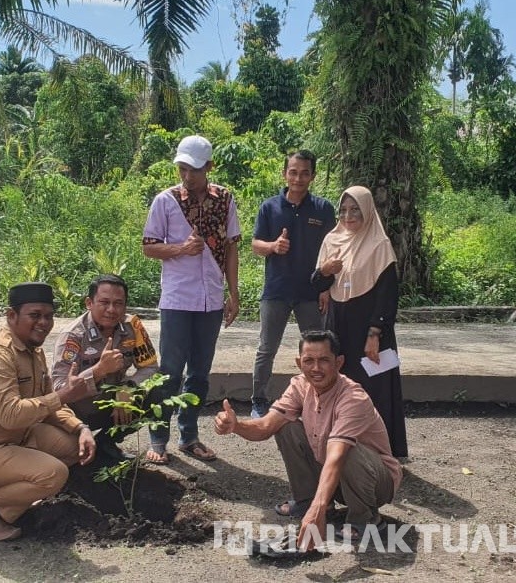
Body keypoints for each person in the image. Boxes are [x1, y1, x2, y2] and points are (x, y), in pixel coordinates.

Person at [214, 330, 402, 549]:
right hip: (336, 477)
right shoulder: (299, 385)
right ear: (298, 363)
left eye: (324, 360)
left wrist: (318, 510)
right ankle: (306, 500)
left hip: (374, 482)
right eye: (309, 361)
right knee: (287, 427)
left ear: (339, 362)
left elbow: (336, 456)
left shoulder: (353, 398)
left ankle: (365, 518)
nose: (316, 368)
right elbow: (265, 426)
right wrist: (236, 426)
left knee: (346, 449)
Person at [0, 283, 96, 541]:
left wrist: (81, 428)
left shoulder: (33, 351)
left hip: (15, 440)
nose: (43, 323)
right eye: (35, 315)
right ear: (11, 316)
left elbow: (48, 404)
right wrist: (63, 395)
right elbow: (11, 415)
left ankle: (12, 500)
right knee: (54, 474)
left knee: (73, 448)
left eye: (48, 316)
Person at [142, 134, 241, 463]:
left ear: (209, 167)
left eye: (194, 169)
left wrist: (233, 293)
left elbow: (231, 248)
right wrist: (181, 249)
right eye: (182, 168)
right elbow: (148, 246)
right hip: (177, 299)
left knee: (199, 372)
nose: (187, 175)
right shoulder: (166, 201)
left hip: (211, 300)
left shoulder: (225, 199)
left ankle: (189, 437)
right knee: (169, 371)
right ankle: (158, 438)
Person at [311, 185, 408, 458]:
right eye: (343, 210)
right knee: (341, 383)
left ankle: (382, 452)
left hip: (371, 328)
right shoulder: (332, 240)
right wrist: (325, 271)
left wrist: (375, 332)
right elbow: (316, 284)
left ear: (367, 211)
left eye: (355, 210)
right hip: (339, 324)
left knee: (376, 386)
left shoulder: (380, 244)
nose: (348, 216)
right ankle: (341, 446)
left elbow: (388, 294)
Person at [250, 150, 336, 418]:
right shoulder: (269, 207)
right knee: (267, 349)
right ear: (284, 173)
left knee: (318, 351)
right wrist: (274, 246)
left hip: (310, 292)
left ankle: (318, 400)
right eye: (293, 172)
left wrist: (326, 288)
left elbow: (331, 251)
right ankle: (258, 401)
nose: (298, 178)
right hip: (276, 290)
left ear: (313, 175)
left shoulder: (323, 209)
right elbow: (255, 245)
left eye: (305, 173)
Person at [51, 274, 159, 462]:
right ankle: (77, 443)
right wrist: (99, 370)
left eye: (118, 303)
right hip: (76, 413)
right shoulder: (73, 336)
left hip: (112, 406)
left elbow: (151, 367)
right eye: (104, 302)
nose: (111, 310)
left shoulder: (133, 327)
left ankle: (106, 443)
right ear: (89, 303)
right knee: (69, 460)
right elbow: (58, 389)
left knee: (160, 390)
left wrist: (128, 388)